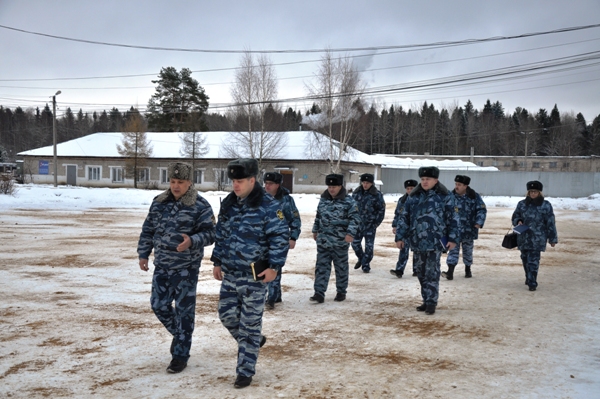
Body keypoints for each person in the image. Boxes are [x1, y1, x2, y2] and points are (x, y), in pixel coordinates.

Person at [211, 158, 289, 389]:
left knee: (250, 325)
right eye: (234, 180)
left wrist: (274, 267)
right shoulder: (229, 203)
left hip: (255, 276)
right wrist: (217, 261)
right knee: (226, 315)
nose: (236, 185)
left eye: (240, 181)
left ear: (252, 180)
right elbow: (221, 233)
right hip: (231, 273)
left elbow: (279, 237)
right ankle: (254, 341)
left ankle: (245, 371)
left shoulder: (268, 205)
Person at [137, 162, 216, 374]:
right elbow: (148, 230)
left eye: (180, 182)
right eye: (173, 181)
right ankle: (180, 336)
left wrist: (192, 240)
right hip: (162, 266)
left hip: (186, 268)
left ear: (190, 182)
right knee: (158, 305)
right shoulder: (159, 202)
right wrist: (143, 253)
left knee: (184, 313)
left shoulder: (200, 205)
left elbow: (211, 233)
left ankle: (180, 355)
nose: (176, 186)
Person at [394, 166, 459, 315]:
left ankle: (431, 302)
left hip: (436, 241)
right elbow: (404, 218)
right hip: (417, 241)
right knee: (420, 272)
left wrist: (453, 238)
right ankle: (426, 299)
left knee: (432, 272)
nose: (424, 182)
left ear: (436, 180)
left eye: (427, 179)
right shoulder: (414, 197)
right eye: (422, 179)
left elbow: (453, 219)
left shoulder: (445, 196)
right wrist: (400, 237)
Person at [311, 174, 361, 303]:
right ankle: (319, 293)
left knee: (341, 268)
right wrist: (315, 230)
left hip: (340, 241)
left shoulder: (349, 201)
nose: (331, 189)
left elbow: (355, 219)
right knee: (321, 267)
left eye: (334, 186)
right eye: (329, 186)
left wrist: (350, 234)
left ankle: (341, 291)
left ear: (340, 186)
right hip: (323, 240)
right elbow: (318, 216)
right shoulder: (323, 200)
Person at [263, 171, 302, 309]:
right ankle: (274, 295)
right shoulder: (259, 198)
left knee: (275, 266)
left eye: (271, 184)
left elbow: (295, 220)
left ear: (278, 185)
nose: (267, 186)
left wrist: (293, 237)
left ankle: (271, 298)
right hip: (262, 240)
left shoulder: (286, 200)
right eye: (266, 183)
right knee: (263, 267)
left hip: (279, 240)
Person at [511, 180, 558, 291]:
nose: (533, 193)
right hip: (523, 237)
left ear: (539, 192)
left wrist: (552, 238)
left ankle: (532, 282)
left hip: (538, 238)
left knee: (533, 261)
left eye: (535, 191)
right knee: (524, 258)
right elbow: (515, 216)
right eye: (531, 191)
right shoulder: (522, 204)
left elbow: (550, 222)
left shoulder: (545, 205)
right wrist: (518, 221)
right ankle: (528, 276)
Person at [442, 175, 487, 280]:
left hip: (469, 229)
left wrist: (479, 222)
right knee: (453, 250)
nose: (456, 187)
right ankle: (450, 271)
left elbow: (481, 209)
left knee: (467, 251)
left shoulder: (474, 196)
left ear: (465, 186)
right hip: (454, 230)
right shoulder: (450, 196)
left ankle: (468, 268)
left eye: (459, 185)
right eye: (456, 184)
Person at [351, 173, 386, 273]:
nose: (365, 185)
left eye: (367, 183)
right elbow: (351, 208)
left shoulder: (377, 195)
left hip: (370, 225)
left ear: (372, 183)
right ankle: (362, 259)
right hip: (357, 225)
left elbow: (381, 210)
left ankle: (365, 265)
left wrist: (376, 223)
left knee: (369, 248)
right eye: (364, 182)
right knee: (355, 244)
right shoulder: (356, 193)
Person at [390, 179, 418, 278]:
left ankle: (417, 270)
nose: (410, 190)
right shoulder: (402, 200)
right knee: (403, 250)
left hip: (416, 229)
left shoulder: (420, 199)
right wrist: (395, 225)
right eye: (408, 188)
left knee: (416, 251)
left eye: (412, 188)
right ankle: (399, 270)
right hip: (405, 229)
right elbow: (398, 214)